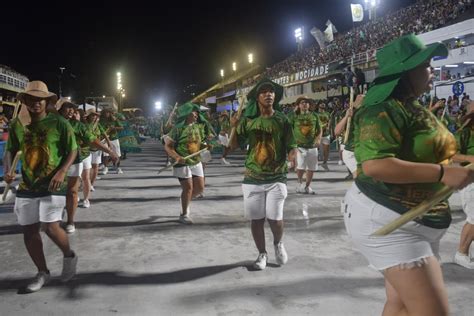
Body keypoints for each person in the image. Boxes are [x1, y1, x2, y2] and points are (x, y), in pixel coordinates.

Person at [344, 34, 474, 315]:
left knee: (400, 304)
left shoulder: (413, 106)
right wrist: (442, 174)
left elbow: (434, 154)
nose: (433, 70)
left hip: (420, 218)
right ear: (406, 72)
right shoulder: (382, 109)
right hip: (390, 218)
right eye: (426, 65)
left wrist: (462, 163)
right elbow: (375, 165)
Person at [3, 81, 78, 292]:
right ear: (25, 101)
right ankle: (42, 271)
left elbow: (72, 150)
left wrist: (62, 171)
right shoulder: (19, 124)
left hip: (53, 184)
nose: (36, 103)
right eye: (32, 99)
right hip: (27, 184)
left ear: (47, 101)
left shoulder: (60, 123)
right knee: (29, 231)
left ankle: (69, 255)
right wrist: (9, 170)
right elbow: (11, 150)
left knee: (51, 228)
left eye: (40, 99)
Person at [230, 78, 297, 270]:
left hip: (277, 177)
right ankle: (262, 254)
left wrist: (294, 157)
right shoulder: (248, 121)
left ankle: (278, 243)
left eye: (271, 92)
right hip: (252, 177)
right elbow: (233, 146)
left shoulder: (283, 120)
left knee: (275, 218)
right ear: (257, 98)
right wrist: (233, 126)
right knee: (257, 219)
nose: (269, 94)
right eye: (264, 92)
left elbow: (291, 145)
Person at [58, 99, 118, 232]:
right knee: (58, 192)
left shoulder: (78, 126)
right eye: (67, 108)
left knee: (74, 189)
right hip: (54, 163)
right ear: (59, 110)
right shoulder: (51, 124)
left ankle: (71, 220)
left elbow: (93, 140)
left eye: (72, 109)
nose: (70, 111)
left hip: (77, 159)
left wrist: (109, 151)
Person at [164, 102, 210, 224]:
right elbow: (168, 146)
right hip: (182, 162)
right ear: (186, 114)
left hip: (195, 161)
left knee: (200, 189)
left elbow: (201, 143)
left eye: (196, 112)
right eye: (193, 112)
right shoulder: (177, 129)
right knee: (188, 188)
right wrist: (177, 156)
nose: (196, 115)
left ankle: (185, 200)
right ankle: (183, 214)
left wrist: (207, 146)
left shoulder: (199, 127)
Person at [452, 101, 474, 269]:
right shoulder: (464, 132)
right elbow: (452, 155)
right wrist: (469, 159)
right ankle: (461, 253)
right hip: (470, 180)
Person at [289, 96, 321, 194]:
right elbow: (289, 130)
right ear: (298, 105)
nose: (305, 104)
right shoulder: (293, 116)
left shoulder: (315, 115)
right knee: (300, 166)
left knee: (311, 168)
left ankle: (307, 186)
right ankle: (300, 184)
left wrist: (318, 138)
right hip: (299, 146)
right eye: (302, 102)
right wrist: (291, 147)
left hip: (312, 146)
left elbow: (319, 129)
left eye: (307, 102)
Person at [100, 109, 124, 174]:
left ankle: (118, 168)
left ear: (110, 113)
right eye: (105, 113)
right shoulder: (101, 120)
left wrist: (114, 128)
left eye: (107, 112)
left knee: (117, 154)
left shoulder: (114, 120)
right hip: (105, 139)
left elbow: (121, 127)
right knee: (105, 155)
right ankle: (105, 168)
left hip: (114, 138)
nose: (106, 114)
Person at [317, 102, 331, 170]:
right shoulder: (316, 114)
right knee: (316, 150)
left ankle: (325, 163)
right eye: (321, 105)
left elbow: (329, 121)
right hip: (317, 134)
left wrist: (328, 126)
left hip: (326, 134)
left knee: (326, 150)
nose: (323, 106)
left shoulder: (327, 113)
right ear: (318, 106)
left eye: (324, 105)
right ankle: (314, 164)